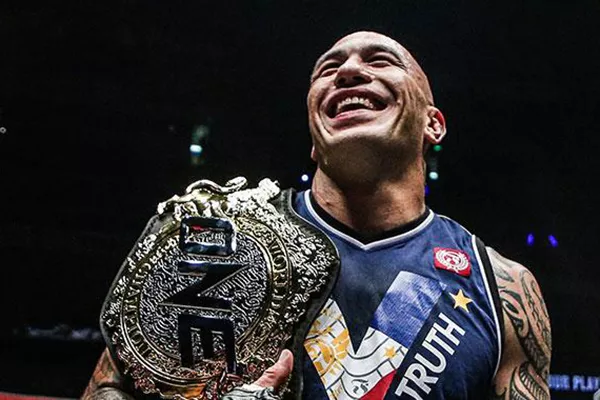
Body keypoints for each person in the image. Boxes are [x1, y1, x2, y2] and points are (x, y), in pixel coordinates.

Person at [83, 31, 551, 400]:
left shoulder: (502, 288)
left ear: (434, 124)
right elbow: (111, 388)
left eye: (380, 60)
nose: (348, 71)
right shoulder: (220, 242)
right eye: (328, 68)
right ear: (314, 135)